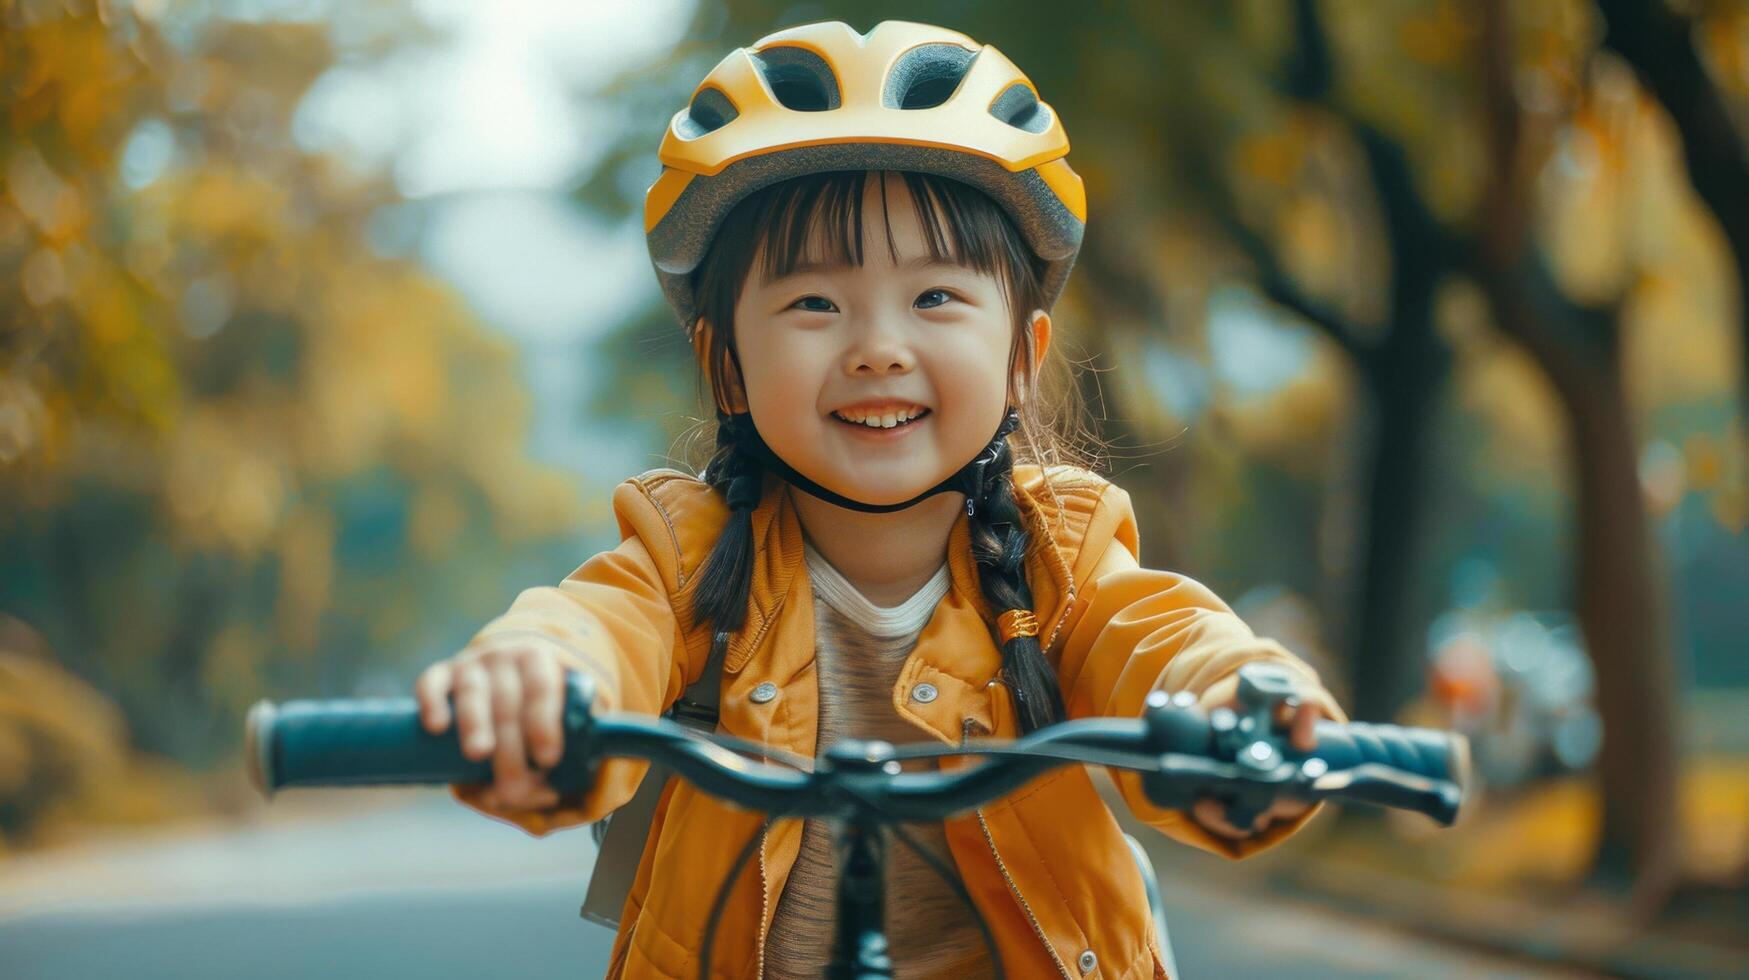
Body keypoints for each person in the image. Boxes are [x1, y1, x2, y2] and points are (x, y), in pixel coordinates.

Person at [414, 20, 1346, 980]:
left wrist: (1233, 698)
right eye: (814, 303)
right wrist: (534, 680)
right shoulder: (682, 553)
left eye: (936, 297)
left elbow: (1153, 635)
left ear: (1023, 357)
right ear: (723, 366)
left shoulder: (1056, 551)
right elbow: (599, 628)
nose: (877, 347)